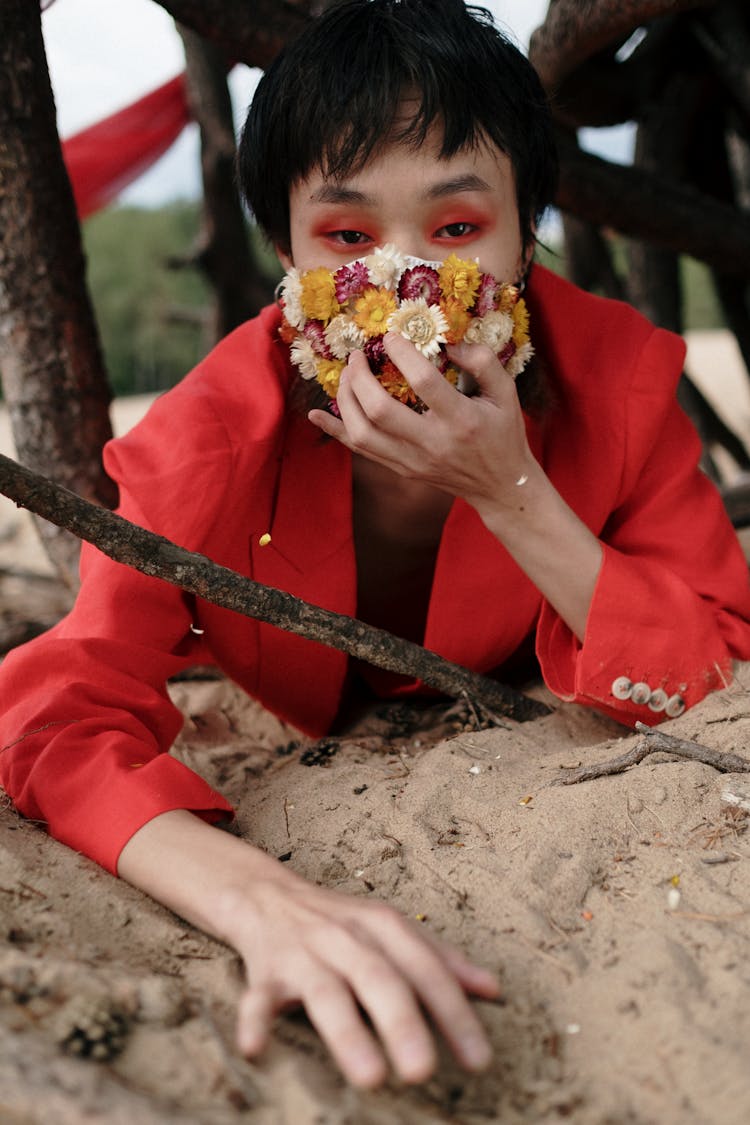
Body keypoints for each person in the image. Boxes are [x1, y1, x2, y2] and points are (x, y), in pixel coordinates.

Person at [2, 0, 750, 1089]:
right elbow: (52, 715)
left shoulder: (622, 385)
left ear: (527, 230)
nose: (404, 285)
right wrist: (259, 899)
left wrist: (513, 494)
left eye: (455, 232)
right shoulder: (206, 444)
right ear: (285, 254)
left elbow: (718, 669)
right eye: (347, 240)